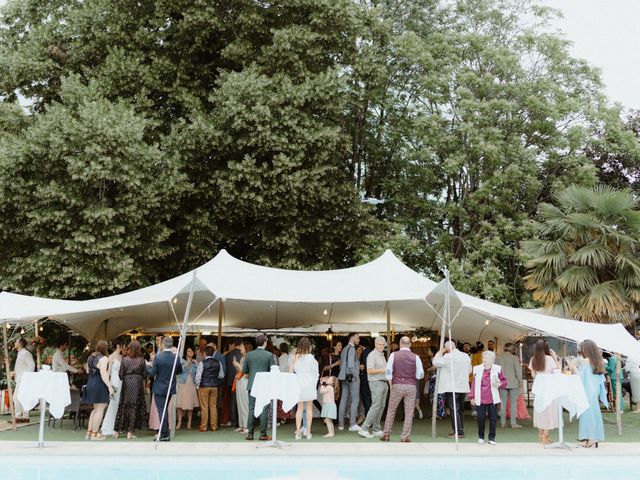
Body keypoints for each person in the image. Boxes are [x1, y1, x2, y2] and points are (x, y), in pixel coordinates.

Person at [380, 336, 424, 442]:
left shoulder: (393, 355)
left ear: (400, 344)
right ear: (410, 344)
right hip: (411, 386)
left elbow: (388, 372)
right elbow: (420, 375)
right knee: (409, 412)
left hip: (397, 384)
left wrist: (391, 384)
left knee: (391, 410)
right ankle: (405, 437)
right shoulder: (416, 357)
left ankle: (386, 434)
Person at [432, 340, 472, 439]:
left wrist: (439, 352)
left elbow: (435, 362)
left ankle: (458, 432)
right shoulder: (465, 356)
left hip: (452, 386)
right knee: (460, 410)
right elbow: (470, 370)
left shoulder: (448, 357)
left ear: (447, 348)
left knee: (454, 410)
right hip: (463, 386)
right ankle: (460, 429)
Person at [572, 340, 608, 448]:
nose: (581, 350)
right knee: (593, 414)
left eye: (582, 348)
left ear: (586, 349)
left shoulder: (586, 361)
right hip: (594, 390)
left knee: (587, 415)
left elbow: (580, 375)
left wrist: (574, 368)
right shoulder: (597, 361)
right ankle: (591, 436)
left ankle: (591, 438)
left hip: (587, 390)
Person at [147, 336, 183, 441]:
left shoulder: (159, 357)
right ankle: (163, 434)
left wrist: (146, 367)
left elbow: (152, 374)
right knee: (164, 410)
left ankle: (165, 435)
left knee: (162, 411)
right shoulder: (176, 357)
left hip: (159, 388)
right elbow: (179, 371)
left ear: (162, 344)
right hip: (170, 388)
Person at [243, 333, 276, 441]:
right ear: (265, 343)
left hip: (252, 384)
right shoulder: (269, 355)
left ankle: (250, 434)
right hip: (264, 385)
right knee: (264, 409)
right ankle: (263, 434)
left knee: (251, 409)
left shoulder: (249, 355)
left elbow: (244, 371)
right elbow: (273, 371)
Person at [470, 351, 507, 445]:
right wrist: (472, 397)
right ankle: (481, 437)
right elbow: (473, 384)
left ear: (492, 359)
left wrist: (499, 384)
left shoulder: (497, 369)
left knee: (493, 419)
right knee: (480, 418)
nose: (485, 359)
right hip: (480, 398)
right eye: (484, 357)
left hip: (493, 398)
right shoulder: (477, 369)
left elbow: (504, 381)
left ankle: (492, 438)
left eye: (487, 358)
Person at [528, 339, 560, 444]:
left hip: (538, 386)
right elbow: (558, 371)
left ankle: (541, 435)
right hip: (549, 386)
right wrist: (555, 357)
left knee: (540, 409)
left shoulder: (533, 359)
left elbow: (533, 375)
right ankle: (545, 436)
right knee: (549, 410)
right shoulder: (549, 359)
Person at [114, 340, 148, 439]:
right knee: (134, 407)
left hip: (126, 383)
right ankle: (130, 432)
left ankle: (117, 431)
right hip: (137, 384)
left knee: (123, 406)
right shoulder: (141, 360)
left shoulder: (124, 359)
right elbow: (145, 375)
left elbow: (120, 375)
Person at [82, 340, 113, 440]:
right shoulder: (104, 359)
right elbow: (104, 375)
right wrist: (109, 386)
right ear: (105, 348)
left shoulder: (90, 357)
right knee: (100, 409)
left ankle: (89, 432)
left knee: (95, 409)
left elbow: (87, 370)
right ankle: (95, 434)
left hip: (90, 382)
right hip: (99, 384)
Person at [290, 337, 319, 440]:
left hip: (298, 383)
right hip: (309, 384)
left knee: (300, 408)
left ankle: (298, 432)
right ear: (308, 346)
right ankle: (308, 432)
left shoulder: (295, 357)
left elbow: (290, 373)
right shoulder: (311, 357)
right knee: (309, 408)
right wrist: (314, 383)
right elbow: (316, 372)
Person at [359, 336, 388, 438]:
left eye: (383, 345)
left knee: (381, 406)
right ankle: (364, 428)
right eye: (379, 344)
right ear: (375, 344)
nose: (381, 346)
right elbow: (369, 371)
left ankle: (376, 428)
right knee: (375, 406)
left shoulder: (382, 355)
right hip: (375, 382)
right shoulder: (372, 355)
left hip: (384, 382)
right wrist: (384, 370)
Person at [195, 345, 225, 432]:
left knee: (204, 407)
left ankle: (203, 426)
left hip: (204, 386)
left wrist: (197, 386)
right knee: (213, 406)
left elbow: (198, 376)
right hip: (214, 386)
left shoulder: (202, 363)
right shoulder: (218, 362)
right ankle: (214, 426)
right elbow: (221, 375)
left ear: (204, 353)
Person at [495, 342, 523, 428]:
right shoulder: (514, 358)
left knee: (503, 404)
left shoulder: (498, 357)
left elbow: (495, 371)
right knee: (513, 404)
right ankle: (513, 423)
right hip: (513, 383)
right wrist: (520, 383)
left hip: (502, 383)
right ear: (512, 349)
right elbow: (518, 372)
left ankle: (503, 423)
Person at [338, 332, 361, 431]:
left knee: (343, 400)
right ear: (352, 337)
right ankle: (352, 424)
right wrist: (356, 376)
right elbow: (351, 365)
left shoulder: (344, 349)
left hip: (343, 377)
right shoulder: (351, 349)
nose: (359, 340)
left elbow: (342, 364)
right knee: (355, 400)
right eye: (357, 338)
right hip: (352, 377)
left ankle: (341, 424)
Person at [10, 338, 35, 423]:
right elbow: (21, 367)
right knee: (19, 397)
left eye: (16, 342)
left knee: (16, 397)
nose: (15, 343)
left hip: (24, 379)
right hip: (20, 379)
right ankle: (23, 416)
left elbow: (32, 366)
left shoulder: (25, 353)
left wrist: (26, 378)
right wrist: (14, 373)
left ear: (20, 343)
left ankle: (20, 416)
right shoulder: (20, 353)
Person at [101, 344, 123, 437]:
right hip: (114, 381)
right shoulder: (111, 357)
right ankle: (109, 427)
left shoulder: (121, 356)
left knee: (118, 404)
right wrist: (109, 385)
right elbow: (108, 371)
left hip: (121, 381)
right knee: (113, 404)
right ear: (118, 346)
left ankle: (116, 426)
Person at [176, 346, 199, 430]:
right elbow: (179, 370)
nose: (190, 352)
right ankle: (179, 422)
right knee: (180, 404)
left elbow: (197, 374)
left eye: (191, 351)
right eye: (188, 351)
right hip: (182, 383)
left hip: (191, 384)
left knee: (190, 404)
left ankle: (189, 423)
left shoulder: (195, 363)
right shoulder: (182, 361)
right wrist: (188, 363)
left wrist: (196, 364)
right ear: (186, 353)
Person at [224, 339, 243, 428]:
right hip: (242, 379)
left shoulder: (228, 355)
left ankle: (233, 421)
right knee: (242, 401)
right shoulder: (244, 354)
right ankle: (241, 421)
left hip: (230, 380)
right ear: (241, 344)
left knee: (233, 401)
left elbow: (225, 368)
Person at [233, 342, 252, 433]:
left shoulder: (249, 358)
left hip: (245, 382)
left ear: (246, 349)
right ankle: (241, 425)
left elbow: (246, 372)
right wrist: (237, 366)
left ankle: (246, 426)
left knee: (245, 404)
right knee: (239, 404)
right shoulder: (243, 358)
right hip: (240, 382)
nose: (240, 350)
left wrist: (237, 365)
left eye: (242, 348)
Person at [359, 337, 373, 418]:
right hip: (371, 378)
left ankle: (368, 418)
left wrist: (361, 369)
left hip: (365, 378)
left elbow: (365, 366)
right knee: (370, 399)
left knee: (366, 399)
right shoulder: (371, 351)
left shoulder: (365, 353)